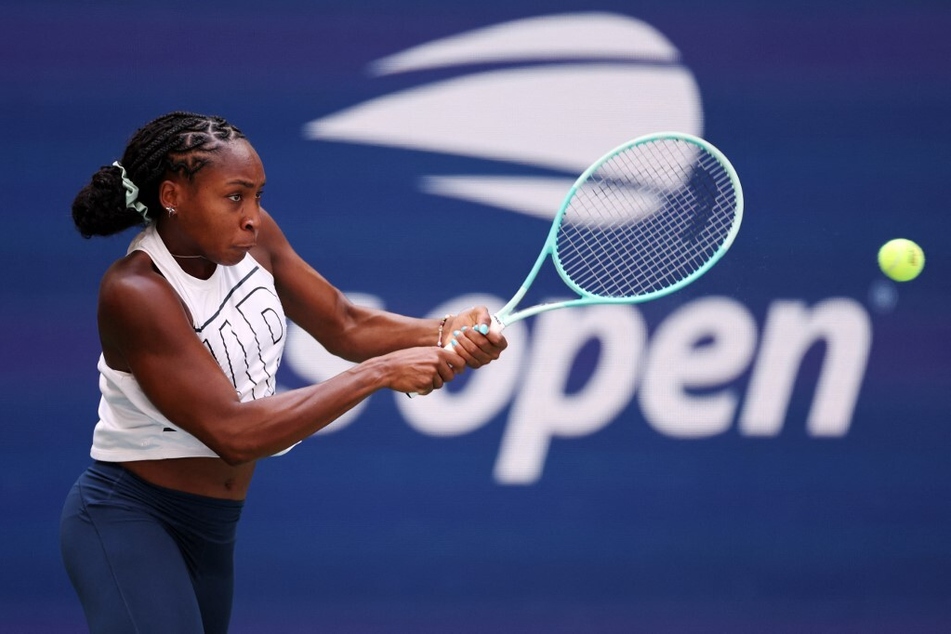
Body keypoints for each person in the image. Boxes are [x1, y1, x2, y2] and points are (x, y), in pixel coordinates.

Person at [59, 111, 507, 633]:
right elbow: (234, 432)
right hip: (130, 518)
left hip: (213, 528)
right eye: (234, 196)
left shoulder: (255, 238)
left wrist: (443, 329)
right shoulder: (135, 292)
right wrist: (380, 373)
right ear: (172, 196)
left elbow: (343, 323)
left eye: (257, 197)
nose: (251, 215)